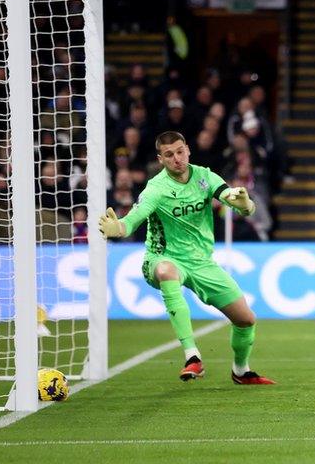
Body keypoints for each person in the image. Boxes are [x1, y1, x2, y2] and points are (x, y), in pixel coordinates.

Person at [97, 131, 275, 385]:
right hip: (162, 257)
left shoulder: (205, 176)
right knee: (167, 271)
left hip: (202, 262)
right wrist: (119, 228)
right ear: (161, 159)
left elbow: (234, 200)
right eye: (169, 155)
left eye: (180, 151)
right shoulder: (156, 188)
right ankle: (192, 355)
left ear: (188, 150)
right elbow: (133, 219)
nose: (177, 158)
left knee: (246, 320)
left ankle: (240, 370)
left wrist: (245, 204)